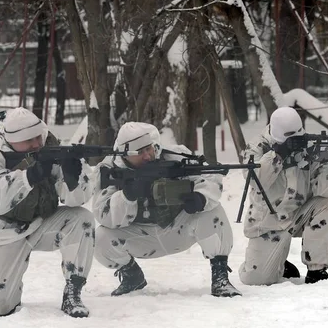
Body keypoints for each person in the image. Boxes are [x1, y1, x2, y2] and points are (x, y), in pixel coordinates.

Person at [92, 122, 241, 297]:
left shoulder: (174, 156)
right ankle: (132, 276)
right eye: (140, 153)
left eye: (149, 149)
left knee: (213, 211)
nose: (147, 156)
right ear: (126, 154)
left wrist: (201, 197)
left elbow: (210, 177)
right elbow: (102, 214)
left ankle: (220, 277)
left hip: (178, 229)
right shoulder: (109, 170)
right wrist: (127, 196)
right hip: (141, 238)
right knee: (99, 238)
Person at [0, 107, 95, 318]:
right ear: (12, 141)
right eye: (29, 141)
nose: (37, 144)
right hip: (3, 232)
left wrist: (72, 179)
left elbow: (76, 199)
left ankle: (73, 293)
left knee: (81, 219)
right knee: (1, 308)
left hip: (42, 223)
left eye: (38, 137)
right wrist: (29, 176)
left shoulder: (50, 147)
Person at [238, 107, 328, 285]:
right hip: (268, 222)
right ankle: (277, 261)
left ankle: (317, 270)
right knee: (255, 280)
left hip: (300, 214)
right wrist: (278, 155)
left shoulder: (307, 146)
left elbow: (324, 190)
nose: (295, 140)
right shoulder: (256, 148)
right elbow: (254, 180)